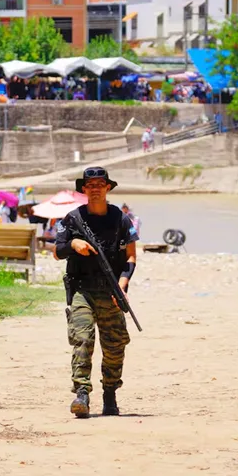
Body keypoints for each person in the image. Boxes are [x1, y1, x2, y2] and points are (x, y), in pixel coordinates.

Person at [55, 167, 139, 419]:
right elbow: (57, 250)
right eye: (89, 184)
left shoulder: (121, 219)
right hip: (82, 289)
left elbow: (131, 256)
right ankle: (81, 393)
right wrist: (73, 243)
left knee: (115, 345)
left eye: (99, 184)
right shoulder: (72, 218)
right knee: (83, 338)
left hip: (112, 290)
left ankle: (110, 394)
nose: (94, 188)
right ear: (83, 189)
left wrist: (123, 284)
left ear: (108, 187)